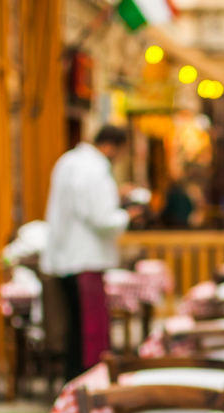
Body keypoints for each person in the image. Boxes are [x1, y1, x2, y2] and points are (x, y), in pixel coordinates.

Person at [42, 125, 136, 380]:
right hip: (86, 259)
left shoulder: (69, 161)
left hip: (66, 257)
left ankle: (75, 384)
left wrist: (115, 197)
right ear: (111, 146)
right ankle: (90, 384)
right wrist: (128, 214)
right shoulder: (93, 170)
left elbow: (82, 205)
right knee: (91, 331)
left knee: (75, 328)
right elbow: (101, 217)